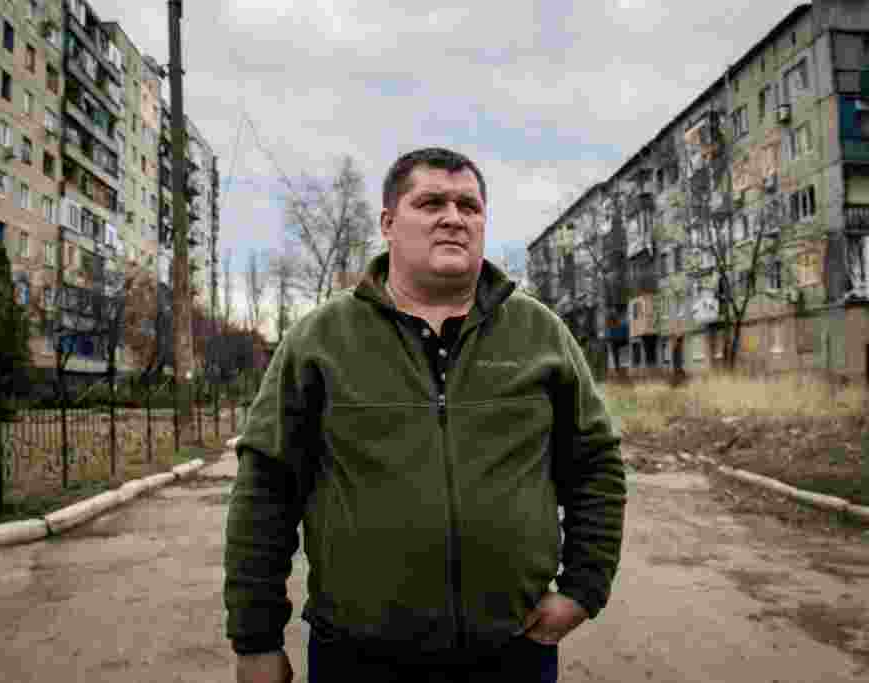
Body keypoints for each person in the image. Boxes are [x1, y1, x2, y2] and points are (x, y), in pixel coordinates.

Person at [225, 147, 627, 683]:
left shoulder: (540, 334)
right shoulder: (320, 341)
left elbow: (596, 464)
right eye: (431, 202)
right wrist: (256, 640)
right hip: (358, 658)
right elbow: (265, 489)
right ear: (388, 223)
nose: (454, 218)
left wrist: (583, 589)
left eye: (469, 206)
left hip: (513, 652)